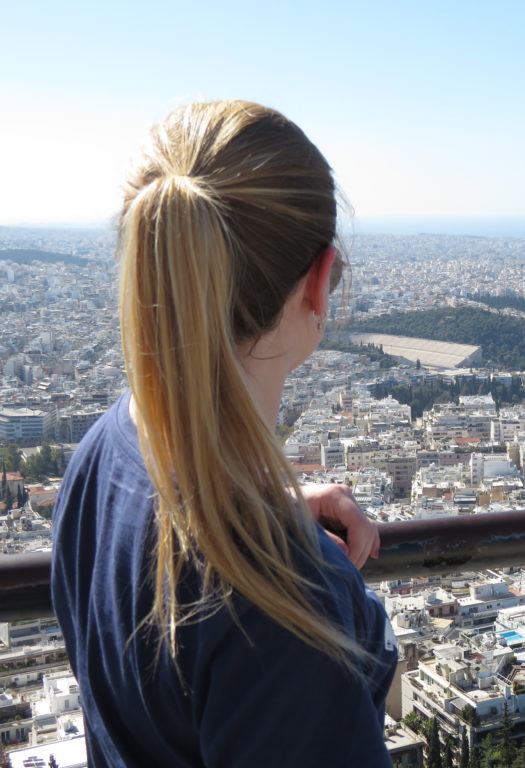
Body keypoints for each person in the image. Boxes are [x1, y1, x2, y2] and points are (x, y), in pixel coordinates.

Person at [50, 100, 397, 767]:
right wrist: (281, 544)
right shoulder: (284, 604)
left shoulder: (102, 453)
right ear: (319, 284)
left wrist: (264, 507)